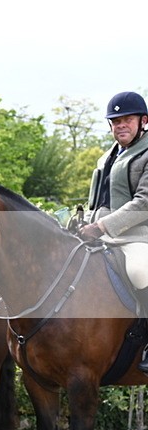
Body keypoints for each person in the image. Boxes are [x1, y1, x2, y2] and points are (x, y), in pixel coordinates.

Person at [79, 91, 148, 374]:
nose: (120, 125)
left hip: (138, 236)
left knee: (141, 271)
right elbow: (98, 200)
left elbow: (144, 202)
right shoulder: (106, 157)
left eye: (126, 120)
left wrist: (102, 226)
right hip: (100, 235)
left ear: (143, 121)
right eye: (115, 121)